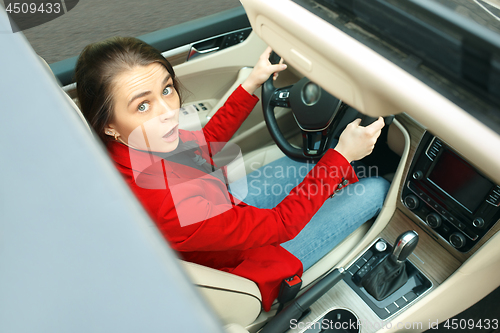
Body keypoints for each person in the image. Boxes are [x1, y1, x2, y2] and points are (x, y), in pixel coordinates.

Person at [75, 36, 389, 311]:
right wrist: (341, 156)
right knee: (376, 188)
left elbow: (203, 150)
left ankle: (341, 177)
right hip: (244, 263)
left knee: (308, 164)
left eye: (167, 90)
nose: (168, 112)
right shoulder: (169, 204)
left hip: (221, 218)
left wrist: (251, 83)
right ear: (109, 124)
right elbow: (282, 225)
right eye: (142, 106)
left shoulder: (134, 146)